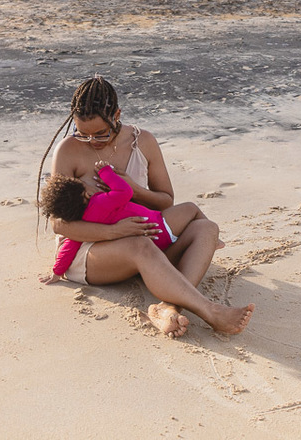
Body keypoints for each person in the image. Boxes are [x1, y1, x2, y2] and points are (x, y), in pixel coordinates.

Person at [37, 75, 254, 336]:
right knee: (138, 245)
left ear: (117, 114)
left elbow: (165, 200)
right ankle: (211, 312)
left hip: (144, 242)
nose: (92, 141)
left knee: (206, 228)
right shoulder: (67, 150)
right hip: (90, 251)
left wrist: (135, 190)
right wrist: (116, 231)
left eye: (100, 133)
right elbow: (59, 223)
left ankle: (168, 307)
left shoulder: (144, 141)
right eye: (82, 134)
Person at [41, 164, 209, 274]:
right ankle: (213, 241)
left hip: (149, 242)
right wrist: (105, 172)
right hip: (159, 226)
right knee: (191, 208)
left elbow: (71, 244)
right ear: (87, 193)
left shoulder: (84, 222)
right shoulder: (100, 202)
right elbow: (125, 191)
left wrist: (57, 271)